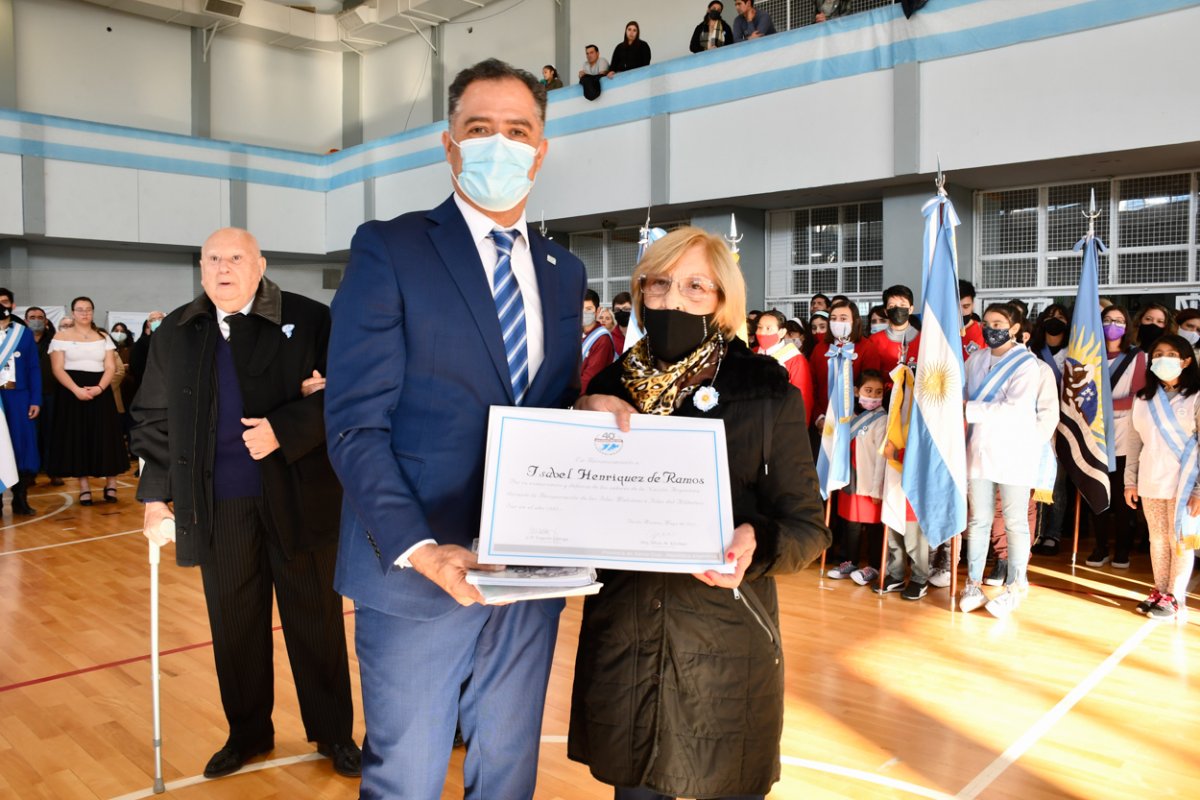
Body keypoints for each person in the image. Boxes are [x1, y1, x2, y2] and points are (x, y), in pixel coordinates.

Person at [324, 59, 587, 799]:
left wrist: (591, 412)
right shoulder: (391, 248)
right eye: (480, 128)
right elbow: (354, 425)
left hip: (528, 570)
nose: (499, 144)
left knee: (508, 770)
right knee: (406, 777)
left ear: (540, 150)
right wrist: (420, 548)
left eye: (517, 131)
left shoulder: (564, 270)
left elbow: (548, 404)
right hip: (418, 570)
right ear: (450, 145)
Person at [568, 226, 830, 800]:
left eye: (695, 286)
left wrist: (756, 540)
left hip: (724, 644)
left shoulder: (764, 391)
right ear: (641, 292)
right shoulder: (607, 388)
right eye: (659, 284)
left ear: (722, 299)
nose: (673, 300)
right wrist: (578, 415)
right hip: (628, 642)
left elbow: (808, 528)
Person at [131, 227, 360, 780]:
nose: (223, 268)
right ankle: (248, 734)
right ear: (201, 268)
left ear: (260, 265)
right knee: (234, 625)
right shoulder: (176, 331)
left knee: (315, 620)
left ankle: (333, 732)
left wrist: (286, 427)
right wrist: (155, 497)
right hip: (219, 504)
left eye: (236, 257)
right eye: (213, 259)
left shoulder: (311, 318)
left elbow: (349, 393)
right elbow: (153, 419)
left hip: (298, 497)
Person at [960, 304, 1057, 617]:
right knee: (978, 520)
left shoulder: (1028, 364)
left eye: (999, 323)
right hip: (978, 451)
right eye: (987, 323)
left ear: (1015, 328)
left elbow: (1014, 408)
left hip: (1014, 453)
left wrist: (968, 409)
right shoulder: (975, 359)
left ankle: (1015, 585)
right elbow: (962, 394)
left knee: (1015, 521)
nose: (992, 328)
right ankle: (973, 582)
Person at [1124, 333, 1200, 620]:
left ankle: (1175, 596)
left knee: (1179, 539)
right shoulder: (1143, 399)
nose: (1163, 359)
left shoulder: (1195, 396)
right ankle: (1160, 590)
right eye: (1158, 355)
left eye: (1171, 354)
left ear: (1186, 361)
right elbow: (1134, 442)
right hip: (1151, 478)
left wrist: (1199, 490)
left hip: (1186, 481)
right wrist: (1129, 481)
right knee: (1157, 539)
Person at [47, 297, 127, 505]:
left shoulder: (103, 337)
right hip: (72, 392)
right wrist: (76, 390)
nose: (84, 313)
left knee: (106, 437)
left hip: (101, 391)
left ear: (93, 312)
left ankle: (111, 484)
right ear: (73, 312)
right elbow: (57, 368)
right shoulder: (60, 337)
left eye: (88, 309)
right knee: (78, 438)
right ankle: (84, 487)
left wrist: (100, 388)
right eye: (80, 309)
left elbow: (110, 367)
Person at [1085, 305, 1146, 568]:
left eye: (1119, 320)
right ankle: (1100, 547)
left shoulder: (1136, 356)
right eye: (1108, 319)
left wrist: (1103, 405)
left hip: (1124, 435)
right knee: (1098, 495)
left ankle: (1122, 549)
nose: (1113, 324)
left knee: (1123, 499)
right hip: (1094, 435)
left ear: (1127, 326)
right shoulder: (1089, 354)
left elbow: (1139, 397)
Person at [826, 370, 886, 585]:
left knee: (873, 526)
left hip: (869, 481)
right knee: (851, 524)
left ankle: (874, 566)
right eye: (868, 391)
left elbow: (881, 458)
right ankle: (849, 561)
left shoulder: (882, 419)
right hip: (850, 479)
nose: (873, 396)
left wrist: (878, 489)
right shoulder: (849, 415)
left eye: (878, 392)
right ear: (857, 391)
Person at [1029, 304, 1074, 557]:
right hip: (1036, 422)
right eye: (1049, 317)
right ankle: (1036, 532)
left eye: (1060, 317)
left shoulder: (1074, 353)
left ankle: (1053, 534)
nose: (1054, 321)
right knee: (1034, 480)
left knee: (1057, 482)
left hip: (1064, 426)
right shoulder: (1033, 352)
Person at [0, 304, 41, 515]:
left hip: (19, 397)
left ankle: (20, 497)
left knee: (22, 446)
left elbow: (34, 368)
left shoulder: (22, 333)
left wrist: (35, 400)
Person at [808, 299, 872, 426]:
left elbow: (871, 388)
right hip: (824, 421)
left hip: (857, 421)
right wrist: (819, 417)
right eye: (833, 318)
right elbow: (812, 387)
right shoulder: (819, 349)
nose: (837, 322)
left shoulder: (867, 347)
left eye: (843, 318)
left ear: (854, 321)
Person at [755, 309, 813, 424]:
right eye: (760, 327)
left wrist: (799, 428)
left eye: (768, 328)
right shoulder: (753, 353)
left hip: (782, 423)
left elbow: (803, 398)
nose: (762, 333)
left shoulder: (794, 358)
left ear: (782, 332)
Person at [23, 306, 58, 485]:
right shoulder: (20, 341)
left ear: (45, 321)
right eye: (32, 317)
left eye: (40, 317)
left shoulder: (55, 341)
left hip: (51, 394)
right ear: (26, 321)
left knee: (51, 434)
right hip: (27, 397)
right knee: (31, 434)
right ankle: (30, 472)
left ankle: (53, 471)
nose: (36, 320)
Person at [863, 284, 920, 386]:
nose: (897, 309)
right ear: (886, 311)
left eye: (902, 305)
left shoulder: (923, 340)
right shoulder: (874, 340)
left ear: (911, 309)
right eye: (892, 306)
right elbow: (870, 377)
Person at [581, 288, 616, 393]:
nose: (584, 313)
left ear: (597, 311)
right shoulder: (576, 334)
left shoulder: (602, 339)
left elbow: (589, 379)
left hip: (587, 397)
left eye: (589, 309)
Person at [130, 310, 165, 386]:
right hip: (149, 382)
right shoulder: (142, 342)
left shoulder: (173, 339)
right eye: (153, 320)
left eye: (160, 318)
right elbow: (137, 366)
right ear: (148, 324)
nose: (157, 321)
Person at [959, 279, 985, 358]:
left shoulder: (984, 331)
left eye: (966, 306)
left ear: (973, 305)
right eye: (956, 307)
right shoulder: (936, 332)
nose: (961, 312)